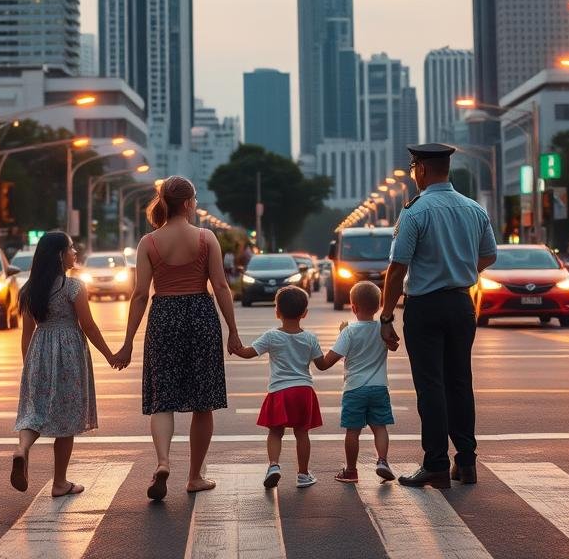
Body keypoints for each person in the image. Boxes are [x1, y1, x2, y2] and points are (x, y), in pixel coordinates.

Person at [118, 176, 243, 499]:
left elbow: (140, 294)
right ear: (188, 203)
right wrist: (233, 331)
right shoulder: (206, 238)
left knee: (163, 399)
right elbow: (221, 287)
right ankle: (194, 476)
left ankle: (162, 462)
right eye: (196, 199)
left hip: (164, 317)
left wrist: (128, 340)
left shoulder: (149, 243)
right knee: (203, 403)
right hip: (200, 315)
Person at [379, 143, 496, 489]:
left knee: (431, 387)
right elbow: (489, 256)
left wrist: (386, 317)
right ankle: (467, 462)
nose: (414, 174)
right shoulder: (474, 209)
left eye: (414, 168)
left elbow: (397, 268)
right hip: (461, 305)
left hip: (426, 307)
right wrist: (459, 269)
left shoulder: (415, 213)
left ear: (422, 170)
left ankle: (436, 465)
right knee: (460, 383)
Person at [11, 231, 121, 497]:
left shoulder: (29, 289)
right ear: (60, 255)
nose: (75, 253)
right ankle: (60, 482)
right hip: (68, 354)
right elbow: (89, 326)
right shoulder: (72, 287)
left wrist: (30, 367)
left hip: (39, 352)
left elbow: (27, 333)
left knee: (34, 413)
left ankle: (21, 450)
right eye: (71, 249)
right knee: (67, 418)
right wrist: (109, 354)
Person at [233, 285, 326, 488]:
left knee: (275, 432)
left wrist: (235, 348)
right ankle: (303, 474)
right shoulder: (310, 338)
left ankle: (274, 465)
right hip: (303, 391)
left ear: (277, 312)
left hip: (279, 391)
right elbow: (322, 364)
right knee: (302, 433)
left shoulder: (271, 336)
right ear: (305, 314)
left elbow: (249, 353)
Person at [314, 280, 395, 484]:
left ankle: (351, 470)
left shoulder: (349, 331)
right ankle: (383, 461)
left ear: (353, 307)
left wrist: (316, 349)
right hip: (379, 387)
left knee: (353, 431)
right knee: (380, 427)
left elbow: (325, 363)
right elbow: (393, 345)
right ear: (378, 307)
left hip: (355, 389)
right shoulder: (382, 329)